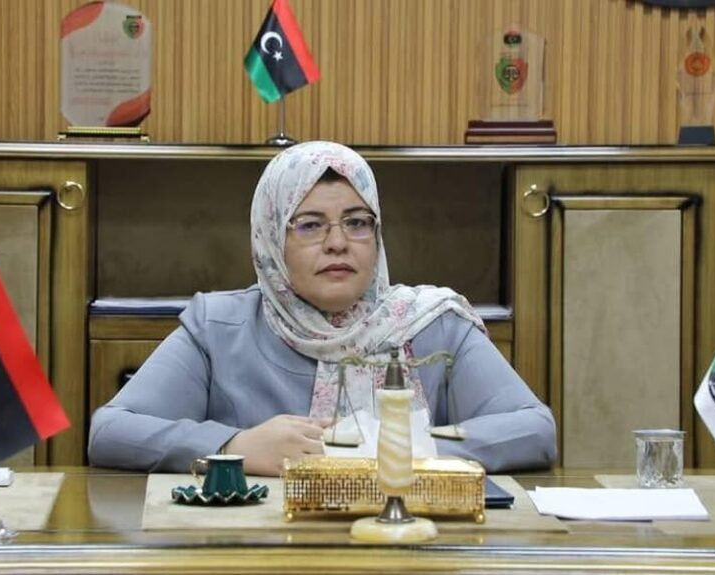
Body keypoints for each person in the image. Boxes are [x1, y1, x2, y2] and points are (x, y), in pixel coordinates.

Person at [88, 141, 556, 476]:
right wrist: (234, 447)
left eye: (357, 222)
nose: (338, 243)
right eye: (310, 225)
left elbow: (533, 429)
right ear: (272, 238)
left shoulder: (433, 323)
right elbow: (111, 431)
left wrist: (405, 450)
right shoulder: (218, 328)